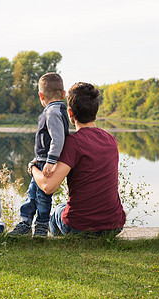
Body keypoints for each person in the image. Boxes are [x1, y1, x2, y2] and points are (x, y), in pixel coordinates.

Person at [30, 82, 126, 236]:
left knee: (56, 213)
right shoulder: (111, 140)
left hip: (79, 227)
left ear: (70, 114)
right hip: (114, 225)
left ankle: (62, 241)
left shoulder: (73, 143)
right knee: (63, 207)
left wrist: (32, 168)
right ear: (95, 110)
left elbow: (48, 186)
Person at [9, 73, 70, 237]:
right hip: (42, 161)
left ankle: (41, 225)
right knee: (32, 194)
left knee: (43, 197)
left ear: (41, 96)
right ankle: (25, 223)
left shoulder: (52, 112)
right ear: (63, 94)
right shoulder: (59, 110)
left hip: (47, 164)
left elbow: (58, 140)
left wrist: (50, 162)